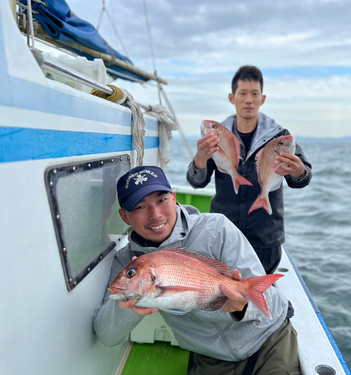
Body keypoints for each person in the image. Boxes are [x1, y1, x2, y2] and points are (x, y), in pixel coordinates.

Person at [93, 165, 301, 375]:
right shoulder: (128, 263)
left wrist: (243, 306)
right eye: (139, 207)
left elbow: (266, 299)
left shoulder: (216, 229)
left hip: (268, 337)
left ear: (174, 198)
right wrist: (126, 307)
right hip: (211, 356)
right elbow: (107, 335)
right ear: (125, 217)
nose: (155, 215)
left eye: (161, 200)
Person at [186, 65, 312, 274]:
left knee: (257, 294)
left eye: (254, 94)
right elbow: (196, 182)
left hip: (266, 236)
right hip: (224, 233)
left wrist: (298, 170)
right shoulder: (218, 134)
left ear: (262, 99)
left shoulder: (280, 136)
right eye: (242, 93)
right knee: (225, 294)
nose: (248, 100)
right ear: (231, 97)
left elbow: (303, 178)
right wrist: (200, 158)